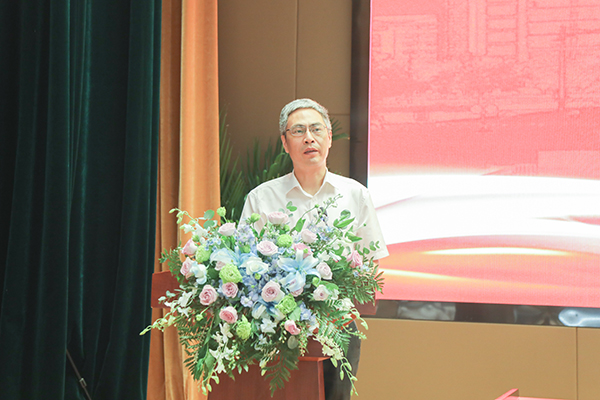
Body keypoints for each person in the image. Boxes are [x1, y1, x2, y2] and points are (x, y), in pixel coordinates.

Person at [240, 98, 388, 400]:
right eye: (298, 131)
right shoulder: (261, 198)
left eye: (316, 129)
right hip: (275, 328)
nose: (309, 138)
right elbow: (245, 264)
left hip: (338, 326)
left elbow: (371, 264)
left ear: (329, 138)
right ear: (285, 143)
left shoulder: (355, 196)